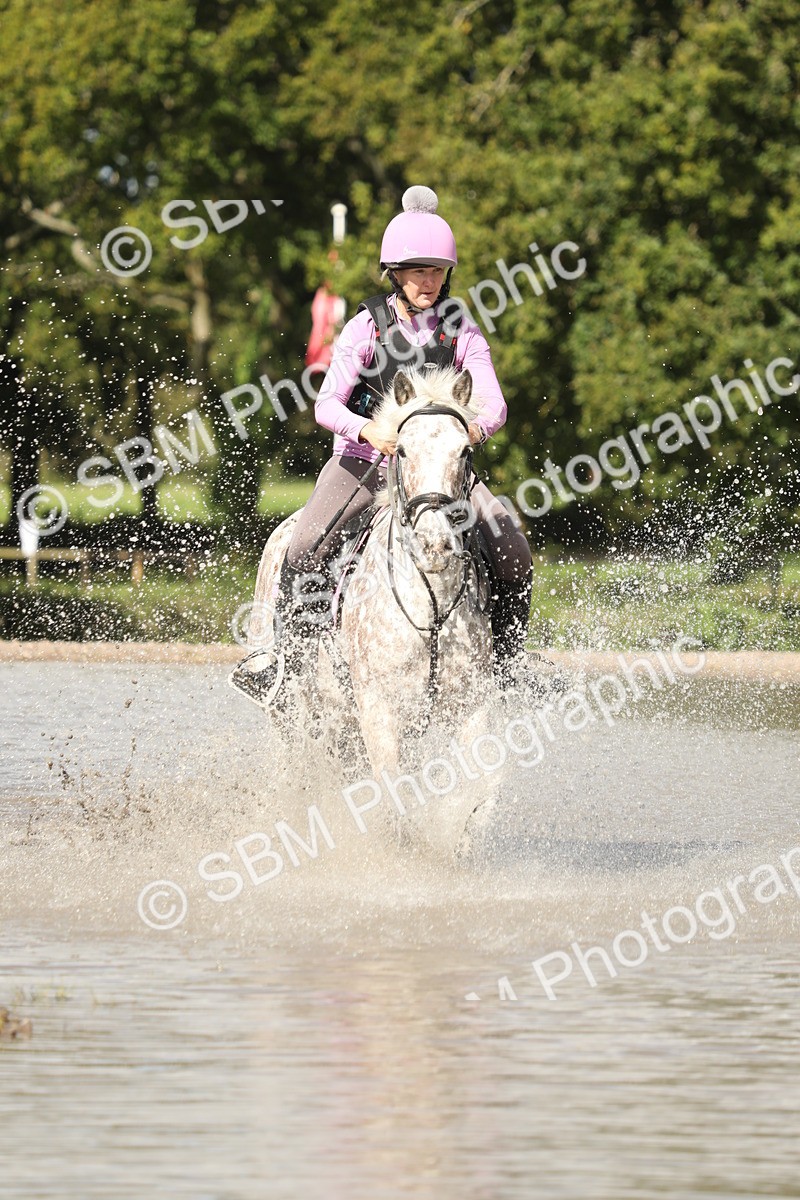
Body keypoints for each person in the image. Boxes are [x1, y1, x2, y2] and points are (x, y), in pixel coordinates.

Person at [230, 185, 533, 708]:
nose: (428, 281)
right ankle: (286, 664)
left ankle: (508, 666)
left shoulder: (462, 328)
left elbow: (494, 403)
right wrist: (368, 431)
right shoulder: (365, 327)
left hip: (439, 470)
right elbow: (326, 405)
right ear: (395, 272)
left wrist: (473, 432)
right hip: (366, 466)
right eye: (418, 271)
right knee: (304, 547)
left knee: (515, 553)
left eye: (437, 271)